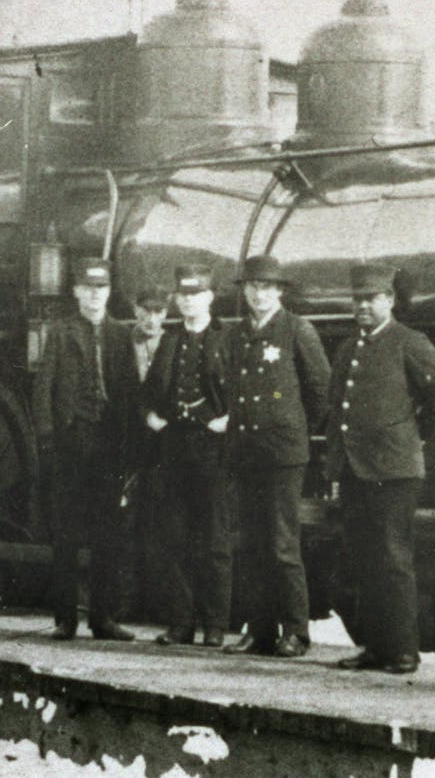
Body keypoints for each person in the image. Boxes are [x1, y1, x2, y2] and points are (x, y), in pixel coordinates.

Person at [326, 264, 435, 675]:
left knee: (393, 557)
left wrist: (416, 442)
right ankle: (375, 646)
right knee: (364, 558)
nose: (363, 306)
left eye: (372, 298)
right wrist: (335, 468)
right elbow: (338, 412)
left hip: (394, 472)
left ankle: (402, 650)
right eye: (358, 299)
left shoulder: (409, 342)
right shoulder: (350, 348)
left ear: (390, 300)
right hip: (356, 469)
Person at [223, 255, 330, 659]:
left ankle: (297, 632)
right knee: (251, 543)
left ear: (280, 291)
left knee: (284, 543)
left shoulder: (297, 330)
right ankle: (260, 629)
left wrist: (294, 430)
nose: (258, 293)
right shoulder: (238, 336)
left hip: (283, 454)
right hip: (246, 451)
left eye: (267, 287)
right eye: (252, 286)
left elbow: (320, 390)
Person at [32, 258, 137, 642]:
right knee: (66, 532)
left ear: (109, 292)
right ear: (77, 291)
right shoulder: (60, 332)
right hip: (71, 440)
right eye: (88, 288)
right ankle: (65, 618)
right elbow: (43, 387)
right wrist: (47, 437)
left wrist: (130, 444)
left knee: (108, 533)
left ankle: (103, 618)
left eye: (102, 288)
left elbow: (128, 393)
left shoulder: (121, 335)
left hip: (108, 441)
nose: (95, 295)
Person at [139, 264, 232, 647]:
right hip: (173, 448)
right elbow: (148, 390)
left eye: (197, 295)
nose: (189, 301)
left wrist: (228, 419)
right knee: (173, 537)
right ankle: (181, 623)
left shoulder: (228, 338)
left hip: (212, 450)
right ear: (176, 300)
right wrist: (151, 416)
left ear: (210, 298)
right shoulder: (170, 340)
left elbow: (248, 388)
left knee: (213, 539)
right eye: (184, 295)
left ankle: (214, 626)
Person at [119, 285, 172, 621]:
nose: (151, 319)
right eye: (145, 311)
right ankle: (126, 601)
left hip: (162, 442)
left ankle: (158, 600)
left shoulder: (173, 343)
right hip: (128, 439)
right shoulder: (122, 342)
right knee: (126, 522)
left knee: (160, 521)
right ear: (135, 309)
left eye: (158, 312)